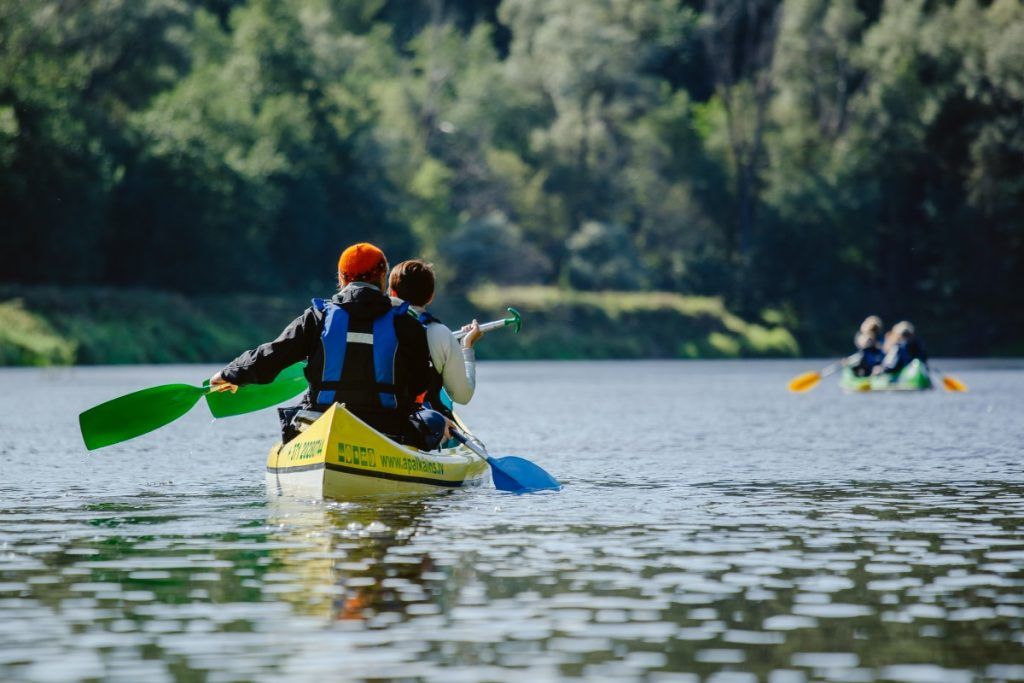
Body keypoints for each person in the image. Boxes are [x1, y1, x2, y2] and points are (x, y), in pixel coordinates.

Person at [209, 243, 447, 449]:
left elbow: (274, 355)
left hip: (322, 423)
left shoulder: (317, 317)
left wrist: (230, 373)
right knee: (429, 422)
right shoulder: (406, 324)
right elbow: (419, 382)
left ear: (342, 279)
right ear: (383, 276)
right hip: (387, 427)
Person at [387, 259, 483, 418]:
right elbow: (463, 396)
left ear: (392, 293)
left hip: (382, 415)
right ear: (431, 296)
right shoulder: (441, 333)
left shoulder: (378, 325)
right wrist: (467, 346)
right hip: (423, 420)